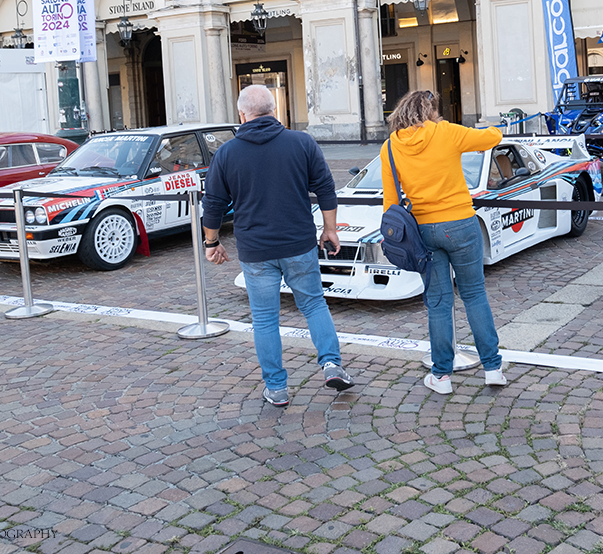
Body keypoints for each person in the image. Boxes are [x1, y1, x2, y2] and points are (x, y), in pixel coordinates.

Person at [202, 85, 354, 408]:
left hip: (256, 250)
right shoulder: (301, 143)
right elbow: (326, 188)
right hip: (298, 243)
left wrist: (211, 242)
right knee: (314, 305)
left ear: (242, 114)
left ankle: (277, 388)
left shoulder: (227, 153)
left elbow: (213, 204)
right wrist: (330, 229)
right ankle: (331, 364)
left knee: (265, 319)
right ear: (274, 110)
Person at [382, 89, 506, 395]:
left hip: (423, 229)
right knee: (474, 294)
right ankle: (492, 368)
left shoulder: (390, 148)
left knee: (438, 302)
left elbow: (390, 200)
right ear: (430, 113)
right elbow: (493, 137)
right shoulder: (446, 132)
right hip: (461, 223)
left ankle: (441, 376)